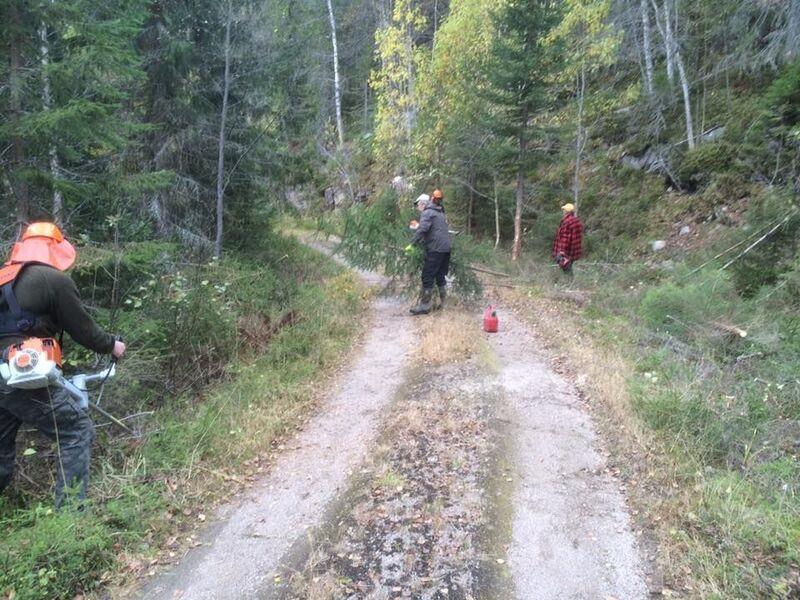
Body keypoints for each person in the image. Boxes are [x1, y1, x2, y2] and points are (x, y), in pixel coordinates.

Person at [0, 222, 125, 507]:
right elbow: (84, 330)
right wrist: (112, 345)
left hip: (5, 379)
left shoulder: (2, 277)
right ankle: (70, 520)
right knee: (76, 431)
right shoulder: (53, 280)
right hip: (21, 372)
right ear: (56, 250)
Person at [406, 189, 452, 315]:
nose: (418, 208)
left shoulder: (428, 212)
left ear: (423, 203)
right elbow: (434, 230)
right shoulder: (440, 212)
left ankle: (425, 306)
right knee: (439, 275)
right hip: (446, 248)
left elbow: (423, 230)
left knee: (427, 276)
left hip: (436, 249)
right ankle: (444, 304)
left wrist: (412, 244)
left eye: (418, 205)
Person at [552, 203, 584, 277]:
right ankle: (568, 282)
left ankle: (569, 283)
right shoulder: (577, 221)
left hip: (566, 250)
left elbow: (565, 238)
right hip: (574, 250)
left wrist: (561, 251)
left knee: (565, 266)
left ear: (567, 212)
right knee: (567, 266)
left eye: (564, 210)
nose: (563, 211)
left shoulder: (567, 222)